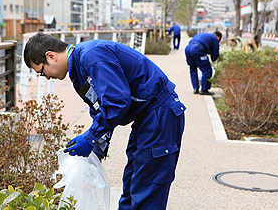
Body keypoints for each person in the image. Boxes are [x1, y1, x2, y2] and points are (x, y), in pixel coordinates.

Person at [24, 33, 186, 210]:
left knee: (148, 185)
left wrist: (90, 137)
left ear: (51, 56)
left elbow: (116, 102)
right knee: (132, 182)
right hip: (146, 117)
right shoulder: (78, 70)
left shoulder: (91, 56)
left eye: (41, 71)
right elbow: (100, 108)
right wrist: (96, 150)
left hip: (160, 113)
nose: (46, 77)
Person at [185, 31, 222, 95]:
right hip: (197, 49)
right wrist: (214, 59)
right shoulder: (215, 39)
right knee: (207, 70)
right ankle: (204, 89)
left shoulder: (205, 35)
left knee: (193, 69)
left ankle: (195, 88)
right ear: (219, 37)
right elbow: (215, 52)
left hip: (188, 48)